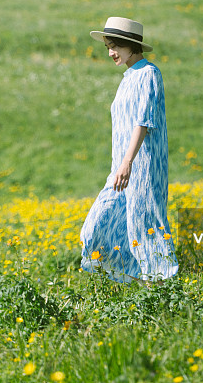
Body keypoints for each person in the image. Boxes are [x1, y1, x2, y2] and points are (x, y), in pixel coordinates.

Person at [80, 17, 178, 282]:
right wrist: (121, 166)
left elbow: (142, 123)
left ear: (130, 45)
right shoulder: (128, 78)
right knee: (99, 223)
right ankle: (137, 279)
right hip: (122, 167)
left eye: (115, 47)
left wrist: (128, 162)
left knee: (145, 225)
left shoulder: (149, 74)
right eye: (108, 47)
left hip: (141, 166)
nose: (111, 53)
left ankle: (161, 284)